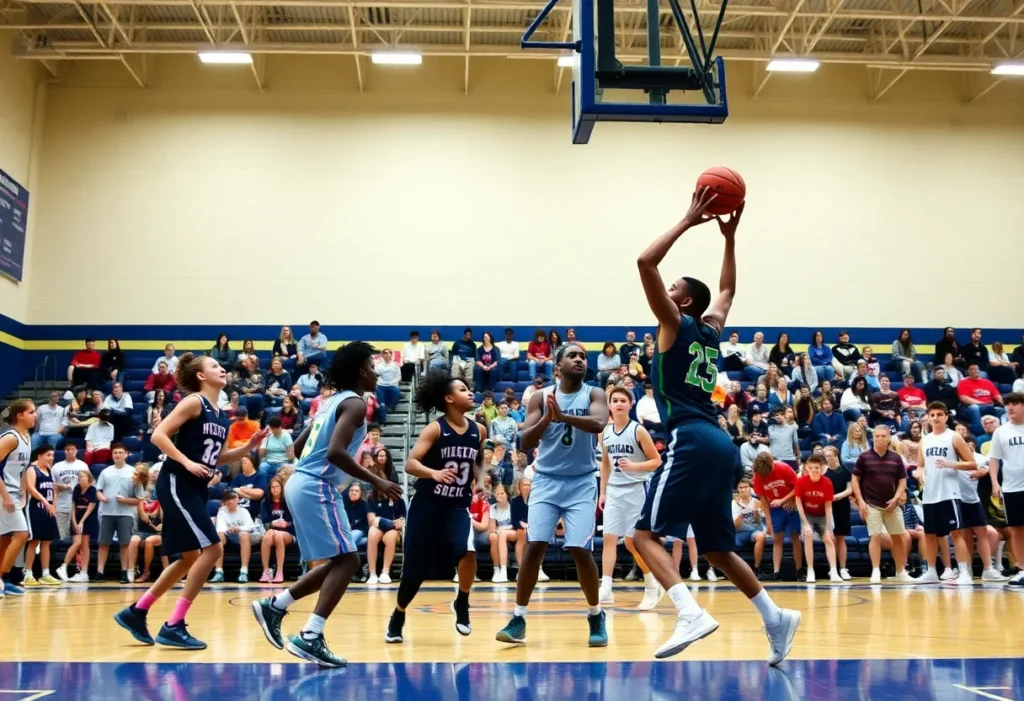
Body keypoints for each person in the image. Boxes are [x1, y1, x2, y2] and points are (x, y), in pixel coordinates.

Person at [629, 189, 798, 664]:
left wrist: (687, 220)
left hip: (691, 436)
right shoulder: (709, 328)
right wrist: (729, 238)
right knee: (719, 550)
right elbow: (727, 292)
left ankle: (688, 611)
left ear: (681, 300)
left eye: (675, 287)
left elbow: (644, 262)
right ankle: (775, 617)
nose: (670, 289)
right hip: (722, 442)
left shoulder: (676, 322)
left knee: (642, 536)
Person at [249, 342, 403, 668]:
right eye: (373, 368)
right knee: (347, 562)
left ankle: (275, 606)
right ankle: (310, 635)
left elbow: (299, 444)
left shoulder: (330, 401)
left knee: (338, 562)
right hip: (316, 485)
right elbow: (334, 452)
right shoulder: (357, 404)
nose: (377, 373)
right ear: (362, 371)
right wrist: (376, 480)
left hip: (300, 483)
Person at [113, 353, 269, 650]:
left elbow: (218, 457)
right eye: (214, 366)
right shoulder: (194, 401)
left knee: (189, 558)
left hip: (194, 486)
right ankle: (174, 624)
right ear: (200, 376)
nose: (222, 368)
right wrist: (185, 462)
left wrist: (248, 447)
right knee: (212, 549)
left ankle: (137, 612)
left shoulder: (222, 414)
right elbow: (158, 435)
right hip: (176, 480)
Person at [495, 343, 609, 648]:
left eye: (583, 357)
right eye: (572, 356)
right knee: (534, 547)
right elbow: (523, 441)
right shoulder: (540, 397)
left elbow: (599, 423)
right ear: (557, 367)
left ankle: (596, 615)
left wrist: (565, 418)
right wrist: (547, 418)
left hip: (582, 481)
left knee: (580, 549)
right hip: (545, 480)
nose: (580, 360)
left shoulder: (595, 394)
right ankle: (519, 618)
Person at [383, 369, 486, 643]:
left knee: (468, 553)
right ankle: (399, 613)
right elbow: (410, 463)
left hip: (456, 506)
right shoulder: (436, 428)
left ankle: (462, 602)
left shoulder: (480, 430)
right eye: (462, 390)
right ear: (448, 399)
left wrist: (481, 481)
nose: (469, 392)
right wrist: (434, 473)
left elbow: (477, 461)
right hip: (427, 506)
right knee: (414, 571)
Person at [597, 386, 663, 609]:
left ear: (630, 404)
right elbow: (605, 464)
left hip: (636, 487)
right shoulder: (604, 432)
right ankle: (605, 588)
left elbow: (656, 461)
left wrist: (634, 466)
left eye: (622, 400)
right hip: (614, 490)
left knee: (632, 543)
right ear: (609, 405)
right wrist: (603, 491)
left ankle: (652, 586)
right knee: (608, 538)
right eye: (614, 400)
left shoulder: (639, 430)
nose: (618, 403)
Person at [913, 402, 976, 584]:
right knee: (930, 534)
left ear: (946, 417)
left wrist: (951, 464)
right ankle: (932, 571)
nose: (936, 418)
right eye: (932, 415)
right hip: (930, 494)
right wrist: (919, 473)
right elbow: (920, 465)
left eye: (939, 414)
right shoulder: (925, 440)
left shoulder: (954, 437)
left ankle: (964, 572)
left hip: (949, 493)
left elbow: (972, 463)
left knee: (956, 533)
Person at [852, 425, 910, 584]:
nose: (879, 439)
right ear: (873, 438)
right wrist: (861, 502)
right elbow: (855, 480)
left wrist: (897, 498)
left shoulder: (896, 458)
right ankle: (876, 570)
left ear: (888, 438)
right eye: (876, 436)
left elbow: (902, 481)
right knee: (875, 536)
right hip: (871, 504)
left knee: (899, 537)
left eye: (883, 436)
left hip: (893, 505)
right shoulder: (864, 457)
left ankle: (901, 571)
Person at [0, 399, 36, 598]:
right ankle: (2, 578)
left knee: (5, 537)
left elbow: (23, 470)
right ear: (20, 415)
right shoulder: (10, 437)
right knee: (22, 534)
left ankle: (3, 580)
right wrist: (5, 496)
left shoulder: (27, 436)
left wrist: (23, 493)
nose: (35, 415)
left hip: (13, 492)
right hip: (2, 492)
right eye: (31, 412)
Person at [988, 392, 1024, 588]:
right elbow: (994, 459)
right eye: (1007, 404)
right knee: (1017, 530)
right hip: (1012, 487)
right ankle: (1022, 570)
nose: (1010, 407)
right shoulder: (1001, 432)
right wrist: (995, 483)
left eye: (1015, 404)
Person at [752, 454, 802, 582]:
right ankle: (776, 571)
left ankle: (799, 570)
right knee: (777, 539)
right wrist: (768, 520)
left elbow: (798, 487)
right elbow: (763, 499)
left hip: (792, 505)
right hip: (775, 508)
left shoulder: (784, 468)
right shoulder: (758, 476)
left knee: (795, 537)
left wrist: (787, 500)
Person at [793, 455, 840, 583]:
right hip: (807, 514)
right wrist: (806, 524)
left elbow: (828, 507)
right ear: (807, 468)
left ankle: (834, 571)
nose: (814, 470)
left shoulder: (827, 482)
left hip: (822, 515)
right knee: (808, 536)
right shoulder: (801, 481)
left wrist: (829, 527)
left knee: (829, 539)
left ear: (822, 469)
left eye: (817, 468)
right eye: (811, 468)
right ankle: (810, 570)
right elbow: (798, 504)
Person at [23, 446, 62, 587]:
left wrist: (54, 505)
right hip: (36, 509)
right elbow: (32, 489)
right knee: (34, 542)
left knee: (47, 542)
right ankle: (27, 574)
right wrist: (45, 502)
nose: (51, 458)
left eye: (52, 455)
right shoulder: (32, 470)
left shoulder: (49, 470)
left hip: (49, 510)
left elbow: (53, 490)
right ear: (40, 456)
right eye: (48, 455)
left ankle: (45, 574)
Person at [823, 446, 853, 580]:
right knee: (830, 538)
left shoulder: (846, 471)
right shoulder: (823, 472)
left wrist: (838, 496)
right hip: (827, 508)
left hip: (842, 506)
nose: (829, 458)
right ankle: (833, 569)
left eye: (831, 456)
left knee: (841, 538)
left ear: (836, 456)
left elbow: (850, 489)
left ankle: (843, 568)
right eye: (826, 456)